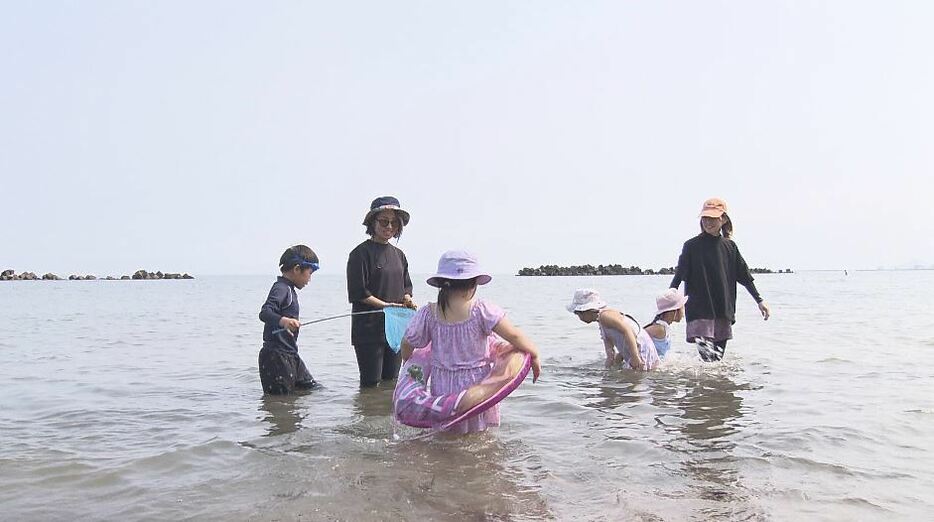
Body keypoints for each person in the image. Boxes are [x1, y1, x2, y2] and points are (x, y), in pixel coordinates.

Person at [400, 250, 541, 434]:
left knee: (446, 432)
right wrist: (535, 354)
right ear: (474, 283)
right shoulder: (482, 310)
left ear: (442, 284)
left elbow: (408, 341)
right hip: (476, 388)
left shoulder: (429, 313)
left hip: (443, 386)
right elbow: (514, 336)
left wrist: (408, 363)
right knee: (477, 436)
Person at [669, 198, 770, 362]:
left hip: (723, 310)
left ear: (723, 219)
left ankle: (716, 388)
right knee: (707, 361)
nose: (708, 222)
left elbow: (744, 276)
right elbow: (679, 275)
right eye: (705, 218)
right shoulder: (691, 246)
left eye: (713, 218)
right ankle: (707, 387)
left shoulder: (730, 247)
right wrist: (669, 303)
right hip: (699, 310)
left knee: (716, 362)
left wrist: (759, 300)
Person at [347, 196, 417, 388]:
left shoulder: (399, 255)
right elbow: (358, 292)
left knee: (391, 382)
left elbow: (406, 286)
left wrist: (407, 299)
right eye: (384, 221)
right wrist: (386, 306)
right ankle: (368, 417)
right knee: (370, 384)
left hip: (395, 329)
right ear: (372, 222)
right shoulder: (360, 254)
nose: (389, 226)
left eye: (394, 223)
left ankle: (388, 418)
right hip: (368, 329)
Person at [258, 245, 320, 395]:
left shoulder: (289, 289)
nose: (309, 279)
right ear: (297, 269)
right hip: (276, 357)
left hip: (290, 353)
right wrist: (283, 321)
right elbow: (265, 312)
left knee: (313, 390)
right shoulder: (281, 288)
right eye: (309, 273)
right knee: (282, 404)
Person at [567, 288, 659, 371]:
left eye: (578, 314)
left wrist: (635, 356)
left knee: (637, 376)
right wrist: (610, 364)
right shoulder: (601, 322)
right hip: (633, 348)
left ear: (587, 311)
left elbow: (627, 330)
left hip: (640, 347)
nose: (579, 317)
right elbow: (610, 352)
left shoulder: (605, 316)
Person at [644, 288, 688, 358]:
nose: (684, 312)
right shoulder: (659, 329)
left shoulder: (664, 327)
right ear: (674, 311)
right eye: (682, 308)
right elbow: (636, 338)